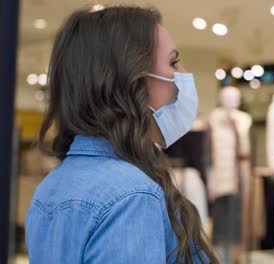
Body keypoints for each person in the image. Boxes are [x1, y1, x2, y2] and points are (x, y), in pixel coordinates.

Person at [25, 6, 217, 264]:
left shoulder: (51, 185)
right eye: (172, 62)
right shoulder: (132, 194)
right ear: (132, 79)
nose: (183, 73)